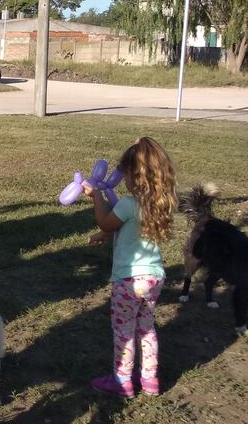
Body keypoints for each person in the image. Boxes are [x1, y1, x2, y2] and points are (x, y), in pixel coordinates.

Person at [85, 137, 176, 398]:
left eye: (124, 173)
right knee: (146, 328)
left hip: (129, 280)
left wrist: (97, 196)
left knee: (123, 331)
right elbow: (130, 229)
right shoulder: (161, 203)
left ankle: (123, 381)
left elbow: (105, 222)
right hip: (154, 278)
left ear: (135, 176)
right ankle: (150, 380)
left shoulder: (127, 204)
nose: (122, 179)